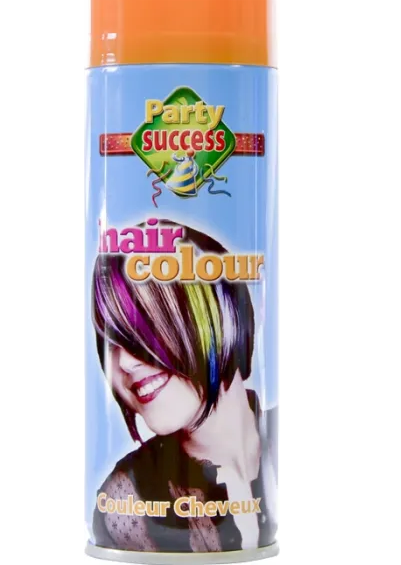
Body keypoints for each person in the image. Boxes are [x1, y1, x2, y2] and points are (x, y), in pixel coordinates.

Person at [91, 222, 277, 553]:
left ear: (222, 312)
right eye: (111, 338)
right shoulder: (125, 502)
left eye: (144, 324)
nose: (125, 362)